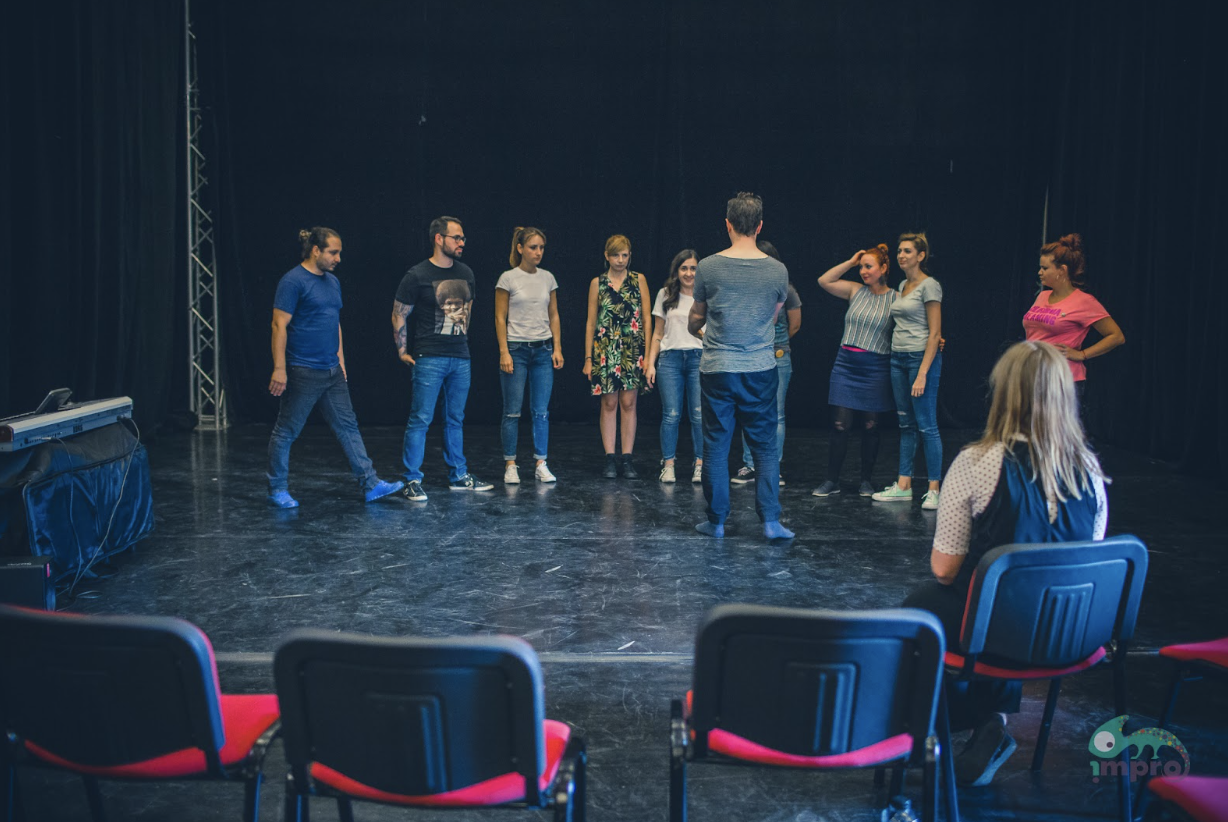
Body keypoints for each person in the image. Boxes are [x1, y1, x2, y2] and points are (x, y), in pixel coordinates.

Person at [902, 340, 1108, 786]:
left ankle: (932, 731)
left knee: (922, 607)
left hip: (999, 631)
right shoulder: (1091, 470)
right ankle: (989, 722)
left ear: (1004, 393)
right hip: (1073, 635)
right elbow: (1086, 562)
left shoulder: (978, 461)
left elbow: (944, 569)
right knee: (998, 604)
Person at [266, 227, 403, 508]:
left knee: (348, 427)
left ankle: (370, 484)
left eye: (339, 252)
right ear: (316, 250)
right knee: (286, 431)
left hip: (332, 372)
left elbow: (334, 322)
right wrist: (279, 368)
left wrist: (341, 361)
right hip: (303, 370)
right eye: (333, 252)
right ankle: (277, 488)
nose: (338, 258)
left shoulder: (332, 282)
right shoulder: (293, 281)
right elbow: (279, 324)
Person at [689, 192, 793, 540]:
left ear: (728, 224)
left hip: (718, 368)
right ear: (760, 225)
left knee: (716, 446)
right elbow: (773, 315)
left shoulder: (708, 266)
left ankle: (717, 521)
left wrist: (697, 328)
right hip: (760, 369)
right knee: (764, 446)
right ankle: (771, 521)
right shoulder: (778, 270)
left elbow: (697, 317)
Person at [392, 216, 494, 501]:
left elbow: (468, 311)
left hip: (460, 356)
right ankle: (412, 479)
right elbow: (399, 312)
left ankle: (459, 475)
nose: (462, 242)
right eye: (456, 237)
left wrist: (461, 342)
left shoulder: (466, 273)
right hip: (429, 357)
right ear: (439, 239)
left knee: (455, 418)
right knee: (421, 418)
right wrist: (402, 350)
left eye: (462, 238)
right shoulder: (418, 275)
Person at [811, 245, 897, 498]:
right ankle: (831, 480)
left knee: (870, 425)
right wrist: (850, 261)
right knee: (840, 424)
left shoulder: (896, 298)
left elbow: (914, 322)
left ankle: (866, 481)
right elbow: (824, 280)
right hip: (846, 364)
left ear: (883, 269)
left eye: (868, 266)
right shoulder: (855, 291)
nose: (863, 271)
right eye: (861, 267)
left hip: (875, 367)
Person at [873, 231, 944, 510]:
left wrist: (923, 372)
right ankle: (904, 485)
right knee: (906, 424)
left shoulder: (930, 286)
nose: (901, 255)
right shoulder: (902, 284)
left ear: (921, 256)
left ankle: (934, 489)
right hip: (898, 358)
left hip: (919, 359)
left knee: (927, 425)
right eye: (899, 251)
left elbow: (935, 331)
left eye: (907, 251)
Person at [1022, 233, 1125, 404]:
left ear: (1062, 270)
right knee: (1030, 429)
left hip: (1062, 379)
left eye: (1045, 268)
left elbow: (1116, 336)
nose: (1039, 273)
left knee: (1055, 431)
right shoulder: (1042, 296)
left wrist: (1082, 354)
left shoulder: (1084, 302)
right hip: (1033, 376)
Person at [495, 226, 563, 484]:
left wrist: (557, 347)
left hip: (543, 350)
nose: (538, 252)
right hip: (516, 349)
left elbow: (554, 314)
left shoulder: (548, 278)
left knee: (541, 411)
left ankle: (541, 462)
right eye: (533, 247)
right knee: (512, 411)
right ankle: (510, 464)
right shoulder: (508, 278)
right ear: (520, 248)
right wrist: (504, 351)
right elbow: (500, 317)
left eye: (541, 248)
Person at [731, 240, 800, 487]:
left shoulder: (787, 290)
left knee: (776, 414)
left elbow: (795, 324)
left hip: (778, 356)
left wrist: (774, 345)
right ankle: (750, 465)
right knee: (750, 411)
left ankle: (773, 467)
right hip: (749, 357)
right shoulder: (747, 289)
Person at [584, 234, 652, 479]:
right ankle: (610, 458)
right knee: (609, 402)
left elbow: (646, 318)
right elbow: (591, 321)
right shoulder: (598, 283)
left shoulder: (638, 280)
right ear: (606, 256)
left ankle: (627, 458)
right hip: (606, 348)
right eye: (616, 255)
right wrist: (588, 358)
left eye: (624, 255)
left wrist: (646, 354)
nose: (620, 260)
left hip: (632, 348)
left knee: (629, 403)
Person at [645, 249, 704, 484]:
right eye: (684, 268)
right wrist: (650, 364)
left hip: (698, 358)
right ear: (677, 271)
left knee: (699, 415)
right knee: (671, 414)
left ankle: (700, 463)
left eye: (693, 268)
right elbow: (658, 333)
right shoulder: (665, 294)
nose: (689, 273)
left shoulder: (704, 295)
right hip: (670, 359)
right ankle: (668, 463)